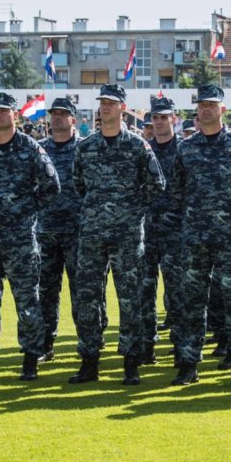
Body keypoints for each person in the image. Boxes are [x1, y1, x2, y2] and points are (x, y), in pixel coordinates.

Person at [170, 84, 231, 388]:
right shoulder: (186, 147)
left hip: (230, 237)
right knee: (192, 302)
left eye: (212, 104)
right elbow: (176, 191)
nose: (206, 109)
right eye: (202, 105)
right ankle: (189, 364)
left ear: (222, 109)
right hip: (195, 238)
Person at [70, 84, 165, 386]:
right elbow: (78, 185)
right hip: (92, 234)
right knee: (87, 298)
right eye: (103, 102)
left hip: (127, 235)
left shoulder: (138, 146)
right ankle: (89, 361)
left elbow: (157, 184)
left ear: (123, 107)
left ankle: (131, 363)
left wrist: (131, 208)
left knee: (130, 299)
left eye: (111, 103)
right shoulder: (85, 147)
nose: (105, 107)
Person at [0, 94, 60, 381]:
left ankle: (30, 358)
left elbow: (52, 185)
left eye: (3, 110)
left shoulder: (30, 148)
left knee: (27, 300)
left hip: (20, 239)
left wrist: (25, 208)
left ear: (15, 114)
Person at [36, 98, 83, 363]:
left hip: (78, 231)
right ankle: (45, 344)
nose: (57, 117)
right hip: (46, 231)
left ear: (73, 119)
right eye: (54, 113)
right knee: (46, 291)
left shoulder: (85, 148)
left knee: (83, 291)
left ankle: (88, 342)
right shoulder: (39, 149)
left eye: (63, 114)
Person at [140, 96, 184, 365]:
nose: (158, 122)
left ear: (173, 119)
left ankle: (181, 346)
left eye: (163, 117)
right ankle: (147, 346)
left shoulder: (185, 149)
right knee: (144, 291)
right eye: (155, 118)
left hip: (176, 232)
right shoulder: (143, 149)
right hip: (146, 231)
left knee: (177, 292)